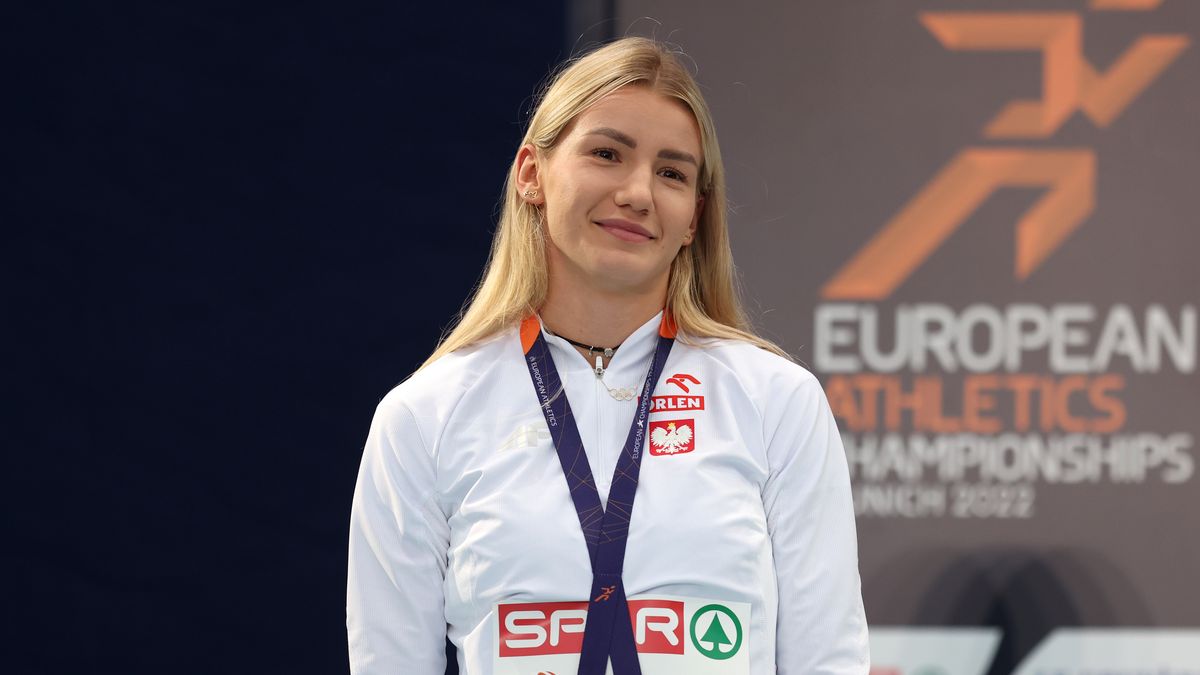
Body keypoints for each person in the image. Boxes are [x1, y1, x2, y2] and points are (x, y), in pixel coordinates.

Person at [346, 37, 869, 674]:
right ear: (531, 174)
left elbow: (826, 659)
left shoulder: (775, 401)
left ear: (694, 216)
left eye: (672, 173)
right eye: (607, 154)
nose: (638, 192)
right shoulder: (424, 415)